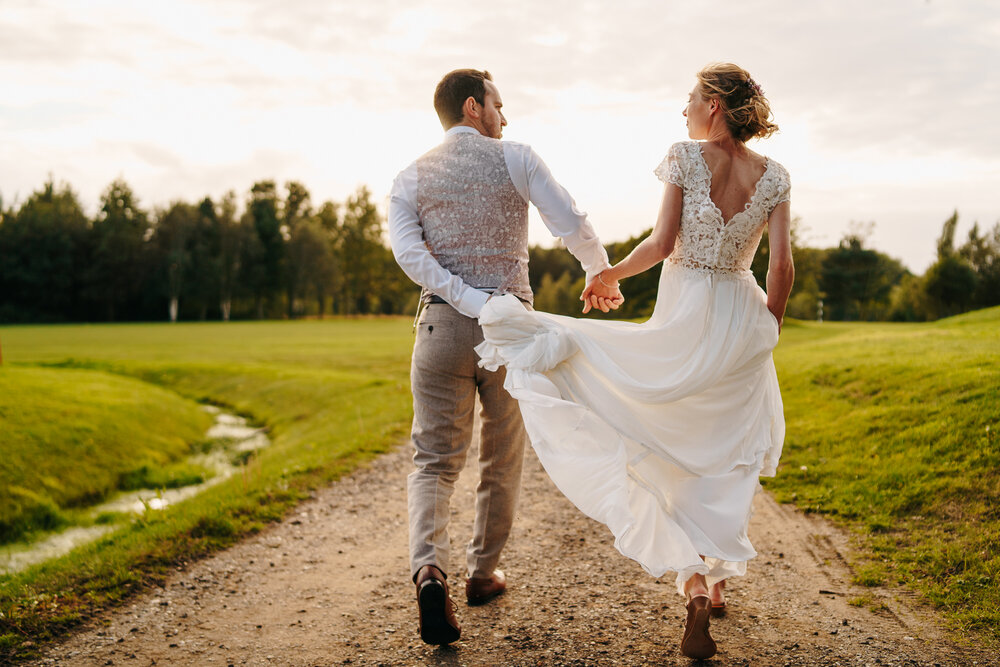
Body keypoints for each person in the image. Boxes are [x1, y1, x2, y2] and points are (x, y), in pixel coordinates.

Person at [475, 62, 793, 660]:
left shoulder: (684, 155)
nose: (684, 111)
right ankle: (717, 577)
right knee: (723, 447)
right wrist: (768, 328)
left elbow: (662, 244)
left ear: (714, 107)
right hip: (744, 319)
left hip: (687, 314)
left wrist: (607, 274)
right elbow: (781, 268)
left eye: (691, 99)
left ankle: (696, 580)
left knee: (662, 427)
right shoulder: (773, 176)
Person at [388, 68, 623, 646]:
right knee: (501, 454)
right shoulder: (516, 156)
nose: (505, 115)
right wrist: (600, 272)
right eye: (498, 103)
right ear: (473, 107)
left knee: (434, 460)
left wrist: (462, 297)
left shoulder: (409, 175)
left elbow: (407, 253)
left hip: (440, 328)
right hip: (510, 331)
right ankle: (482, 571)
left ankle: (429, 572)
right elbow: (568, 218)